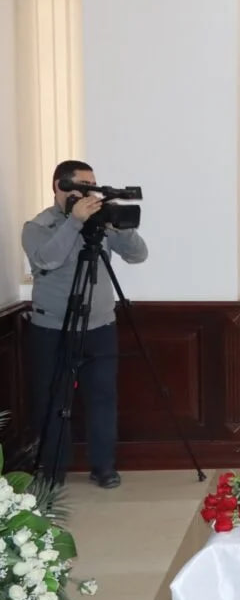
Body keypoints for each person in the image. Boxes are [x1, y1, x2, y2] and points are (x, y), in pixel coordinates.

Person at [22, 160, 149, 489]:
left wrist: (118, 224)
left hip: (100, 326)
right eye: (84, 186)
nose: (91, 192)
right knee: (54, 400)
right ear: (61, 187)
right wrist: (73, 223)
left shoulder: (99, 223)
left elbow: (138, 255)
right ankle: (53, 469)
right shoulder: (38, 226)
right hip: (53, 328)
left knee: (103, 398)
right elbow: (47, 259)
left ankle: (104, 466)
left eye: (94, 185)